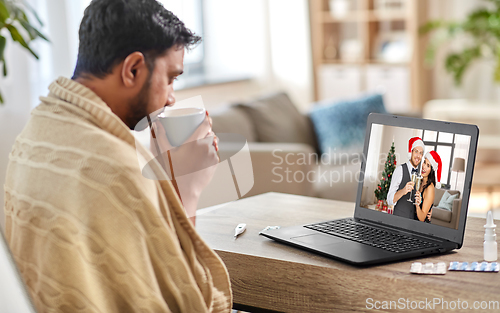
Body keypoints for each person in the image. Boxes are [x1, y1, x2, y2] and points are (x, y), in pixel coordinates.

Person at [3, 1, 231, 312]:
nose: (171, 97)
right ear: (133, 69)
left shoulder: (36, 132)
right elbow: (191, 303)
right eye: (171, 78)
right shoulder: (115, 168)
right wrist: (187, 190)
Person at [387, 137, 424, 218]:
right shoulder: (400, 170)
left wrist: (419, 202)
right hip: (399, 219)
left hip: (412, 221)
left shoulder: (419, 176)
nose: (418, 156)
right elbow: (389, 200)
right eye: (416, 151)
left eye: (421, 153)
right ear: (411, 152)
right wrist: (403, 191)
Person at [414, 151, 442, 223]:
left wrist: (417, 205)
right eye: (424, 162)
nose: (424, 166)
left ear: (431, 170)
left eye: (428, 166)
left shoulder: (430, 188)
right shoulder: (420, 181)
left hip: (420, 228)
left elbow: (422, 218)